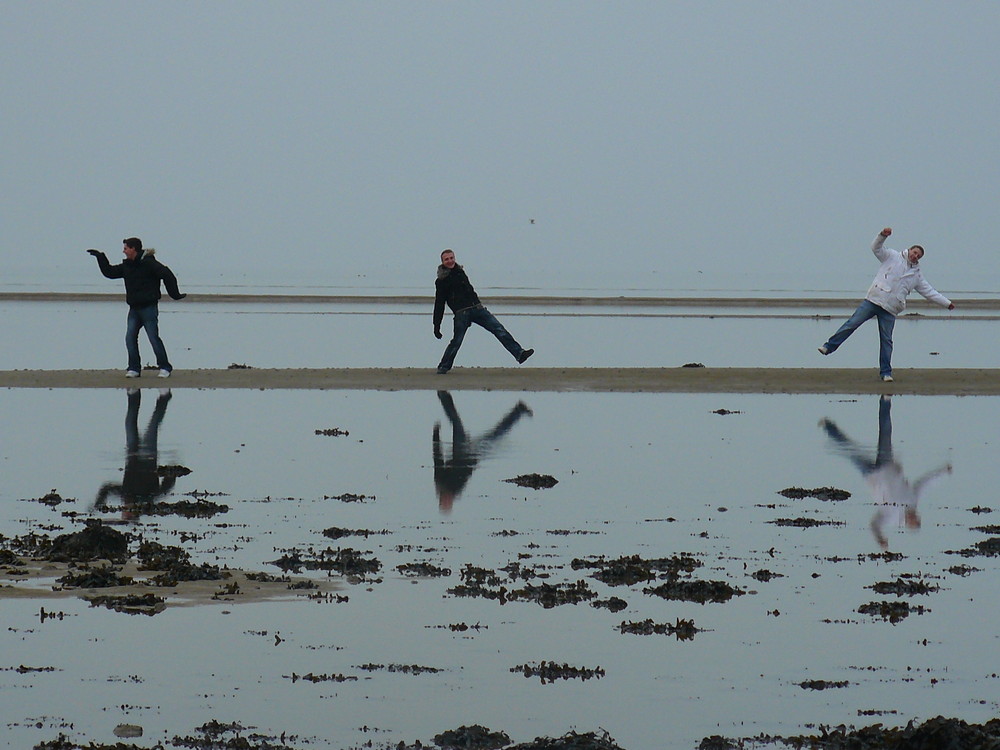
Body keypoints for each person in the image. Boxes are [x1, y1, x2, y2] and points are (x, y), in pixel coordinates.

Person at [818, 227, 954, 382]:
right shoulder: (892, 256)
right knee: (852, 324)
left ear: (919, 259)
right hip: (874, 299)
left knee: (886, 340)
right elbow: (875, 248)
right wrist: (883, 235)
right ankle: (829, 346)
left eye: (918, 255)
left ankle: (886, 373)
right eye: (914, 252)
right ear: (909, 250)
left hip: (890, 308)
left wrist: (947, 303)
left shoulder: (917, 275)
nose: (915, 256)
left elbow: (929, 292)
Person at [819, 396, 952, 550]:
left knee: (850, 451)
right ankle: (886, 400)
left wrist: (879, 538)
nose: (913, 515)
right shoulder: (913, 500)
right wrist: (944, 472)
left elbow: (874, 524)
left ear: (907, 523)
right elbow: (925, 482)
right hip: (887, 464)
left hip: (872, 476)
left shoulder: (892, 518)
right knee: (886, 431)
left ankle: (827, 426)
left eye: (912, 520)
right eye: (916, 517)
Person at [87, 238, 186, 378]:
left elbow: (167, 274)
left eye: (126, 248)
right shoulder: (127, 266)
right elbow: (110, 272)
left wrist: (175, 294)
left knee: (153, 338)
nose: (124, 251)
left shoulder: (149, 263)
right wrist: (100, 257)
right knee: (130, 338)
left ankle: (165, 367)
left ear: (133, 249)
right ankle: (134, 368)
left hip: (149, 308)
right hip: (134, 309)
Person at [433, 249, 534, 374]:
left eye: (451, 258)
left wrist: (478, 303)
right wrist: (436, 326)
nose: (450, 261)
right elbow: (439, 303)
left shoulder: (461, 272)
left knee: (499, 329)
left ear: (454, 258)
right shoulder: (441, 281)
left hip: (478, 309)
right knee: (456, 341)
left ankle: (520, 354)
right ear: (442, 262)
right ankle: (443, 366)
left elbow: (470, 290)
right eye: (446, 259)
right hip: (462, 313)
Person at [433, 390, 533, 513]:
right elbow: (466, 473)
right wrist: (473, 459)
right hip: (472, 454)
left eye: (446, 501)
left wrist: (436, 434)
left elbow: (437, 458)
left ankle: (443, 396)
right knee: (497, 434)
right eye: (449, 503)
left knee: (456, 422)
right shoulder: (457, 490)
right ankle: (519, 410)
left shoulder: (441, 482)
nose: (448, 500)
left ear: (441, 498)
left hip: (460, 451)